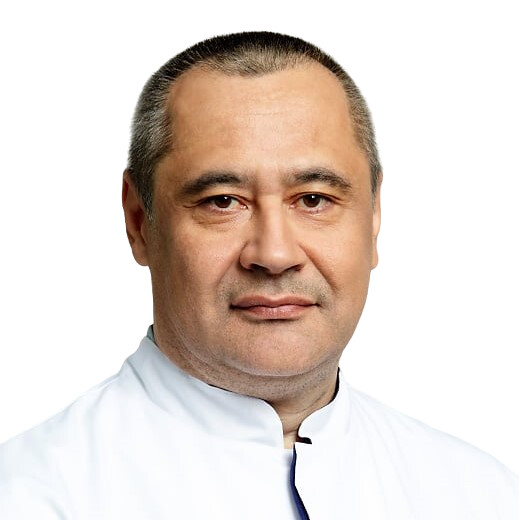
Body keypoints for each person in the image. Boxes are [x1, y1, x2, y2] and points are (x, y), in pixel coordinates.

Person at [0, 31, 517, 519]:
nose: (274, 254)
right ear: (139, 222)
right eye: (223, 201)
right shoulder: (28, 496)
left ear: (374, 215)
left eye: (313, 199)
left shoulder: (479, 495)